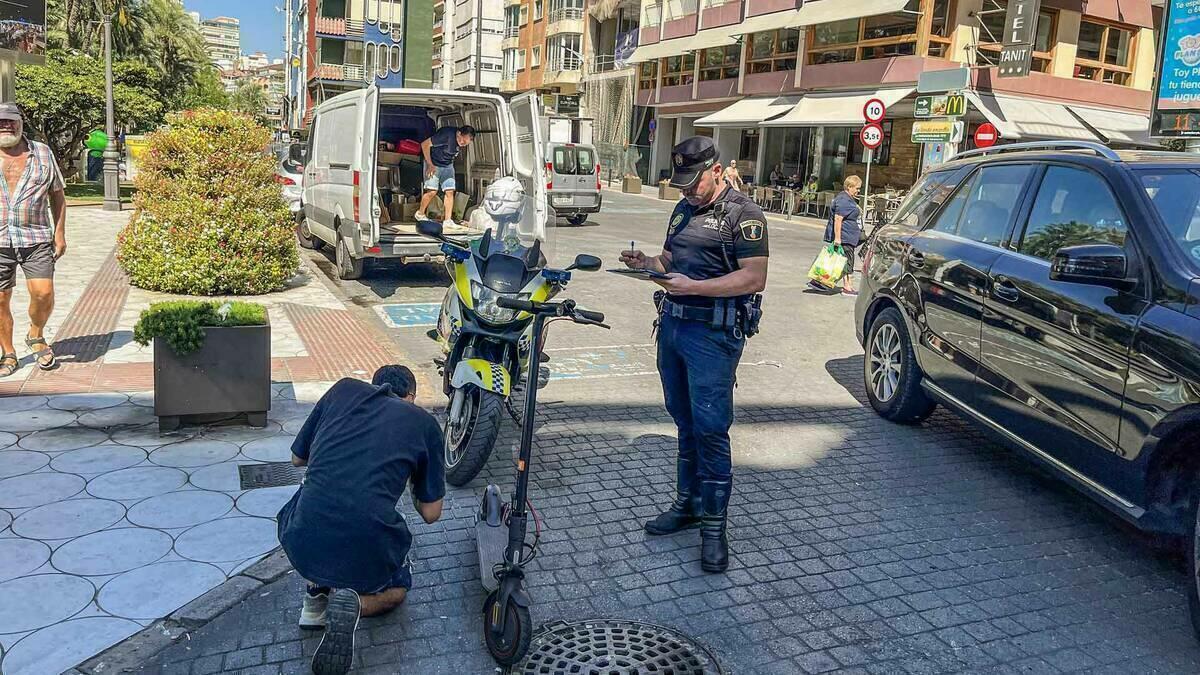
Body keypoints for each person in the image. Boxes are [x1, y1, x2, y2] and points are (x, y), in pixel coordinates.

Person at [619, 136, 768, 573]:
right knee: (683, 420)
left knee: (711, 428)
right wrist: (646, 262)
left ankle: (714, 528)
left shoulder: (744, 215)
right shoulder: (682, 208)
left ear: (716, 171)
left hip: (713, 334)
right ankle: (687, 504)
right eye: (680, 181)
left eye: (692, 181)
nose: (685, 189)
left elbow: (754, 278)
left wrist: (696, 287)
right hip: (674, 327)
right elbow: (669, 259)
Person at [276, 366, 445, 675]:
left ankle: (315, 600)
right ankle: (358, 605)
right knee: (398, 589)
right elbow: (432, 514)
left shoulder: (342, 390)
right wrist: (409, 480)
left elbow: (297, 459)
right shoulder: (425, 424)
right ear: (412, 397)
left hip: (302, 536)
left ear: (373, 386)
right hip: (367, 540)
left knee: (315, 500)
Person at [0, 103, 65, 378]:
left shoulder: (42, 153)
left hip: (36, 237)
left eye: (10, 121)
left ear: (21, 123)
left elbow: (58, 194)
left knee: (43, 293)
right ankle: (8, 352)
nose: (6, 126)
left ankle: (35, 334)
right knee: (1, 299)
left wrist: (59, 233)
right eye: (0, 122)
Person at [416, 125, 476, 226]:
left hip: (447, 165)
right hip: (433, 163)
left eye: (466, 144)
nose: (463, 144)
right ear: (458, 133)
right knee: (432, 191)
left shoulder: (460, 141)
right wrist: (430, 164)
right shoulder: (446, 135)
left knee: (449, 191)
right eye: (462, 141)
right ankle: (420, 214)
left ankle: (448, 220)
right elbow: (424, 144)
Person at [821, 175, 862, 296]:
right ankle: (847, 287)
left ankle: (844, 284)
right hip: (845, 237)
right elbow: (838, 219)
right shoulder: (844, 200)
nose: (858, 190)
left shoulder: (846, 198)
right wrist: (838, 238)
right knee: (847, 260)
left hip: (848, 236)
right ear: (849, 187)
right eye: (857, 188)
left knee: (844, 260)